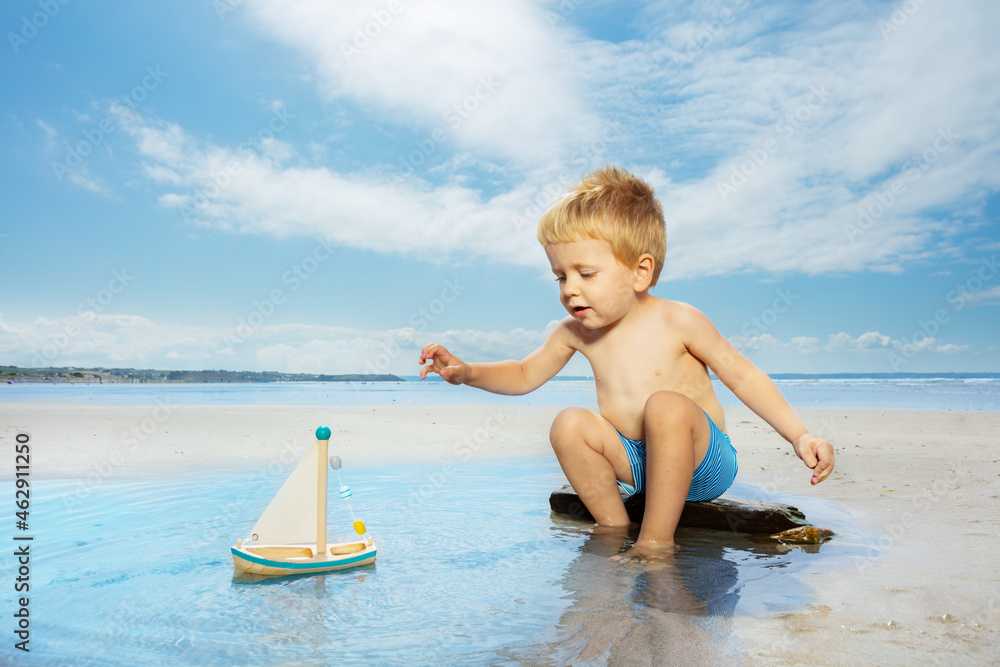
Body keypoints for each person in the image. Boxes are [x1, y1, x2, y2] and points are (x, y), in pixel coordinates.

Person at [418, 165, 834, 561]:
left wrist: (799, 436)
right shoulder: (574, 332)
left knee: (665, 406)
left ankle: (655, 543)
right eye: (561, 277)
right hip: (635, 464)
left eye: (586, 273)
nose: (570, 290)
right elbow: (525, 374)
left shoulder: (679, 320)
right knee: (569, 424)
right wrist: (468, 372)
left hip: (702, 462)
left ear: (640, 272)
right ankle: (614, 528)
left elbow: (742, 376)